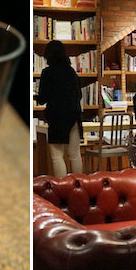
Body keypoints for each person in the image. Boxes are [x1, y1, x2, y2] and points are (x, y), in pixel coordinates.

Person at [36, 41, 83, 178]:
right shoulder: (71, 72)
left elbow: (43, 98)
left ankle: (61, 186)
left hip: (57, 117)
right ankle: (79, 185)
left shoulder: (48, 72)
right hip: (74, 115)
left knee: (57, 156)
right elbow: (79, 95)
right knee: (75, 154)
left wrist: (35, 96)